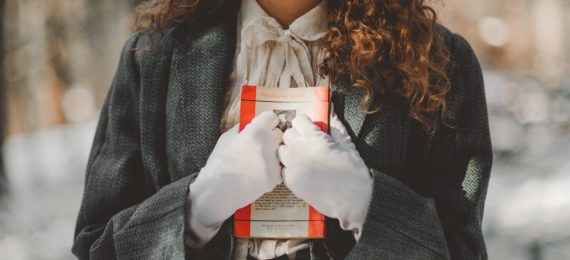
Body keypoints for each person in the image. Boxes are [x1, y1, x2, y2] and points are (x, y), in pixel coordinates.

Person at [72, 0, 493, 259]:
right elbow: (96, 248)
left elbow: (463, 252)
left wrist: (364, 204)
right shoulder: (151, 57)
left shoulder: (439, 61)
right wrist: (199, 206)